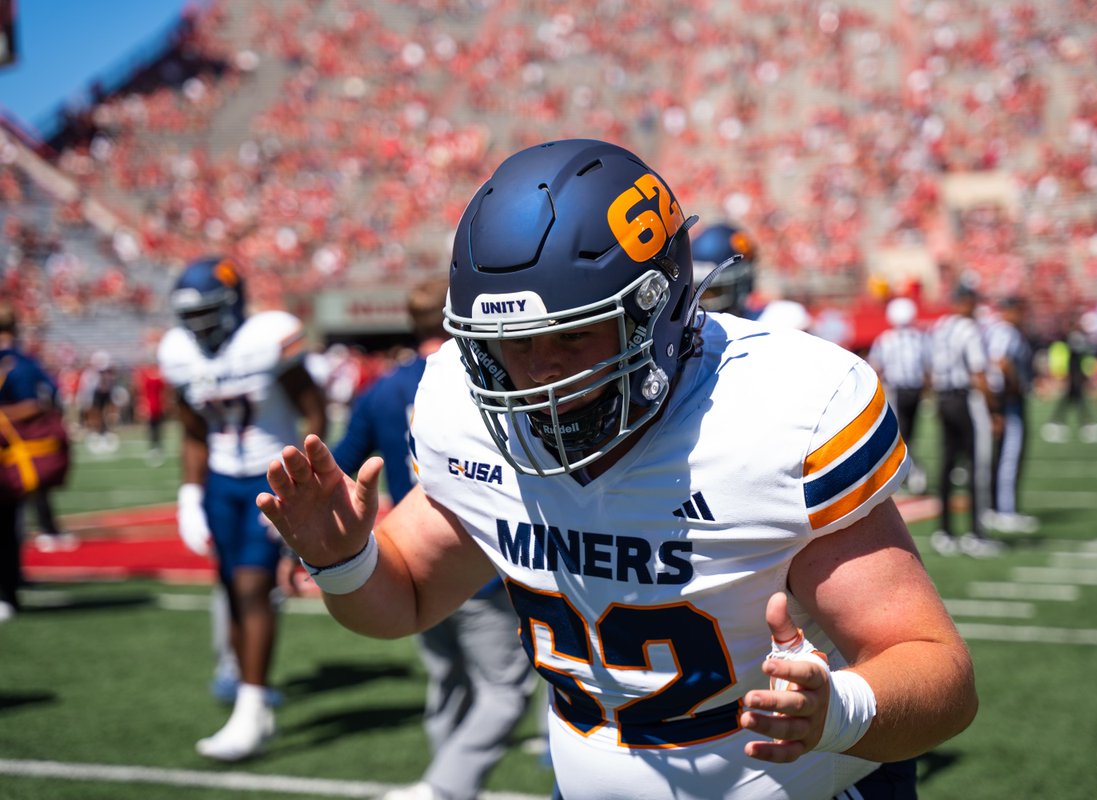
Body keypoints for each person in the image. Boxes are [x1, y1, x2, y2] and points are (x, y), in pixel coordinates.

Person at [257, 139, 977, 800]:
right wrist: (345, 562)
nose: (538, 374)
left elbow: (939, 673)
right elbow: (406, 599)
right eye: (512, 343)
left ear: (654, 311)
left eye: (569, 336)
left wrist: (839, 710)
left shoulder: (776, 412)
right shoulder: (462, 405)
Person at [331, 276, 534, 800]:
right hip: (477, 559)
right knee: (504, 690)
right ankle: (444, 789)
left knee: (447, 683)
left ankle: (442, 785)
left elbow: (341, 465)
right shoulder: (487, 378)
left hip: (409, 551)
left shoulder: (381, 391)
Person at [158, 256, 326, 760]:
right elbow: (192, 432)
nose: (199, 326)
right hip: (220, 482)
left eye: (209, 312)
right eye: (192, 315)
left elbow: (312, 410)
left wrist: (305, 481)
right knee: (231, 585)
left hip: (267, 475)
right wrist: (189, 494)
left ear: (232, 304)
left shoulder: (265, 339)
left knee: (254, 585)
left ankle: (252, 708)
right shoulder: (180, 354)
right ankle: (247, 692)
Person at [927, 283, 1002, 557]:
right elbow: (978, 372)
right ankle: (976, 534)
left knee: (947, 466)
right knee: (977, 465)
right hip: (965, 400)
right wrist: (994, 411)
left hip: (945, 399)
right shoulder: (968, 329)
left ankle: (945, 532)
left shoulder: (941, 326)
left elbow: (931, 368)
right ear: (967, 301)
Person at [0, 303, 62, 621]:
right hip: (19, 456)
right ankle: (12, 583)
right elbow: (52, 397)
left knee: (8, 523)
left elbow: (39, 402)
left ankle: (7, 590)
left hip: (8, 453)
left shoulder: (14, 364)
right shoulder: (26, 361)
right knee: (12, 522)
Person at [983, 295, 1039, 533]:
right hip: (1008, 401)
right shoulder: (1005, 332)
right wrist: (1014, 387)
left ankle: (996, 507)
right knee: (1010, 455)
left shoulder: (996, 330)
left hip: (1002, 400)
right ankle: (1005, 509)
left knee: (1001, 455)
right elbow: (1001, 363)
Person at [867, 296, 929, 495]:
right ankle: (909, 472)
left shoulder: (886, 340)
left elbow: (876, 368)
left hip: (897, 390)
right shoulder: (920, 337)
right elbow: (927, 368)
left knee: (899, 434)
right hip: (915, 390)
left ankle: (906, 473)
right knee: (907, 433)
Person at [1042, 312, 1097, 444]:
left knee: (1072, 401)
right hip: (1074, 376)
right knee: (1076, 401)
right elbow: (1067, 358)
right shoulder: (1071, 339)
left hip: (1076, 376)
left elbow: (1083, 359)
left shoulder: (1075, 338)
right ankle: (1084, 423)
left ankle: (1060, 423)